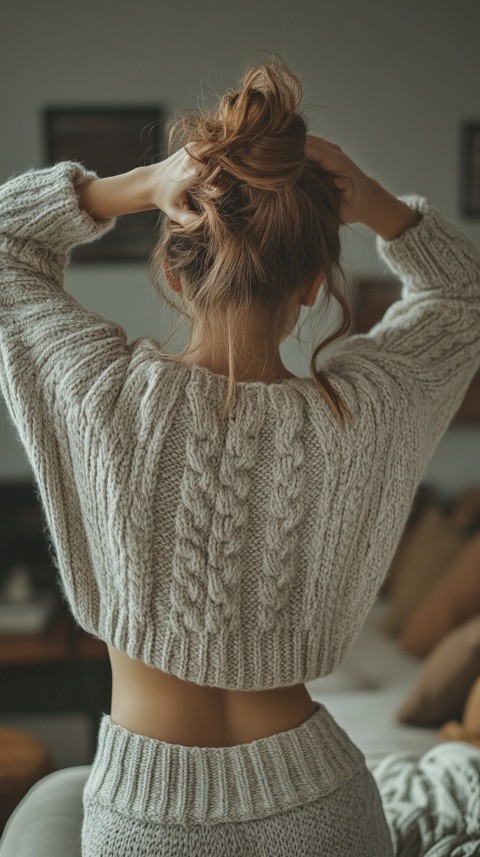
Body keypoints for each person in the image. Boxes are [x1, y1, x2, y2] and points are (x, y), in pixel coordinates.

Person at [0, 58, 479, 857]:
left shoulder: (96, 391)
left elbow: (8, 239)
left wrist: (143, 183)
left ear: (176, 269)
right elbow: (462, 298)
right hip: (325, 806)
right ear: (309, 287)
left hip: (147, 818)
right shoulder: (363, 410)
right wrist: (372, 202)